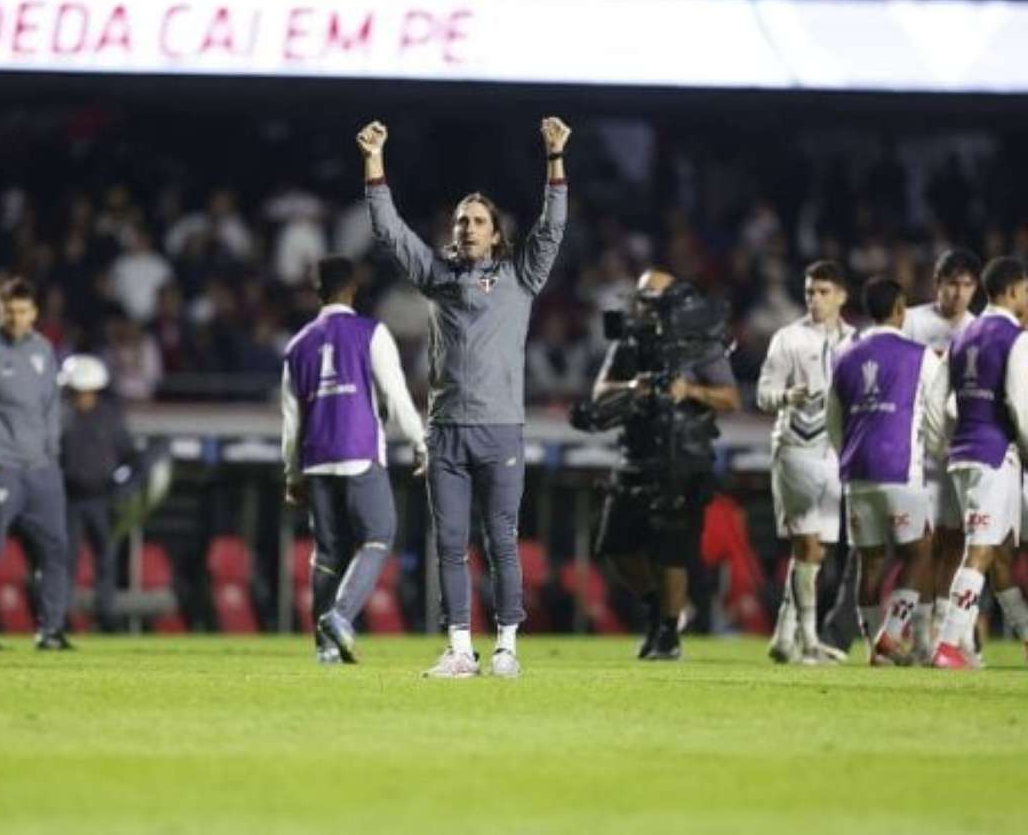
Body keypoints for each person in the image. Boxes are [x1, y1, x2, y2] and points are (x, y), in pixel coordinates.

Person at [359, 116, 570, 678]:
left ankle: (506, 648)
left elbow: (552, 228)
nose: (468, 227)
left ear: (496, 234)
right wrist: (374, 160)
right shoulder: (437, 277)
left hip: (500, 428)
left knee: (501, 541)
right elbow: (389, 231)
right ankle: (458, 648)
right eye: (461, 220)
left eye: (478, 221)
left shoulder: (521, 277)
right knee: (449, 543)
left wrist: (554, 158)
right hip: (447, 430)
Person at [281, 256, 426, 664]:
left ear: (317, 291)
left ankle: (325, 649)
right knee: (378, 536)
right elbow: (396, 395)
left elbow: (291, 420)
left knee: (328, 554)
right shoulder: (371, 332)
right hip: (358, 450)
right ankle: (340, 617)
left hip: (316, 457)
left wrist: (292, 473)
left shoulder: (297, 345)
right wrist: (420, 442)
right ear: (354, 288)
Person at [593, 269, 741, 660]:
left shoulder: (700, 342)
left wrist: (689, 390)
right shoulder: (627, 341)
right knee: (615, 545)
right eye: (640, 297)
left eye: (650, 298)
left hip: (683, 455)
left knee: (672, 550)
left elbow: (730, 398)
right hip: (635, 453)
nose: (641, 305)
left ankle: (668, 633)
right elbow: (600, 392)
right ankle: (660, 608)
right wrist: (634, 386)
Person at [826, 278, 948, 665]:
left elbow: (832, 419)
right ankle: (891, 635)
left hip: (856, 471)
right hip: (900, 470)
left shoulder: (843, 354)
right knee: (921, 552)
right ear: (899, 309)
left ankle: (873, 651)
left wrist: (847, 454)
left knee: (870, 560)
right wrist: (937, 450)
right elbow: (936, 415)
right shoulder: (920, 356)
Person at [0, 277, 71, 651]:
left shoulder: (44, 350)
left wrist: (52, 451)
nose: (15, 318)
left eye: (22, 311)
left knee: (55, 551)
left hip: (42, 469)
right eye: (9, 311)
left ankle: (50, 631)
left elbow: (51, 406)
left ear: (34, 313)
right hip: (1, 466)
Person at [756, 261, 854, 664]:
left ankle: (785, 634)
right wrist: (786, 397)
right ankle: (809, 641)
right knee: (808, 543)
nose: (815, 299)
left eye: (823, 292)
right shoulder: (788, 338)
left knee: (817, 551)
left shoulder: (855, 342)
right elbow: (763, 394)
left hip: (834, 454)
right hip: (795, 447)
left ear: (841, 296)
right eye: (810, 291)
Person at [933, 257, 1028, 668]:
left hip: (962, 454)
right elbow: (1020, 403)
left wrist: (945, 443)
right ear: (1013, 291)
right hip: (995, 455)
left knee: (1000, 554)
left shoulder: (961, 336)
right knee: (981, 550)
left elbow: (935, 401)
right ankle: (947, 644)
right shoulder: (1017, 339)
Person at [902, 248, 980, 652]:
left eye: (966, 285)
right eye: (952, 284)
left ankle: (941, 627)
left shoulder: (978, 329)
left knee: (954, 540)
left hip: (959, 445)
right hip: (918, 448)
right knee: (924, 541)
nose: (958, 293)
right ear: (937, 283)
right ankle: (918, 628)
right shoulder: (912, 321)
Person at [58, 354, 135, 633]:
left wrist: (122, 487)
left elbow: (129, 455)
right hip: (70, 498)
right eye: (76, 391)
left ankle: (106, 615)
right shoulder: (60, 417)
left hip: (103, 498)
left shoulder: (110, 419)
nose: (80, 397)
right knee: (65, 559)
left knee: (107, 557)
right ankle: (60, 616)